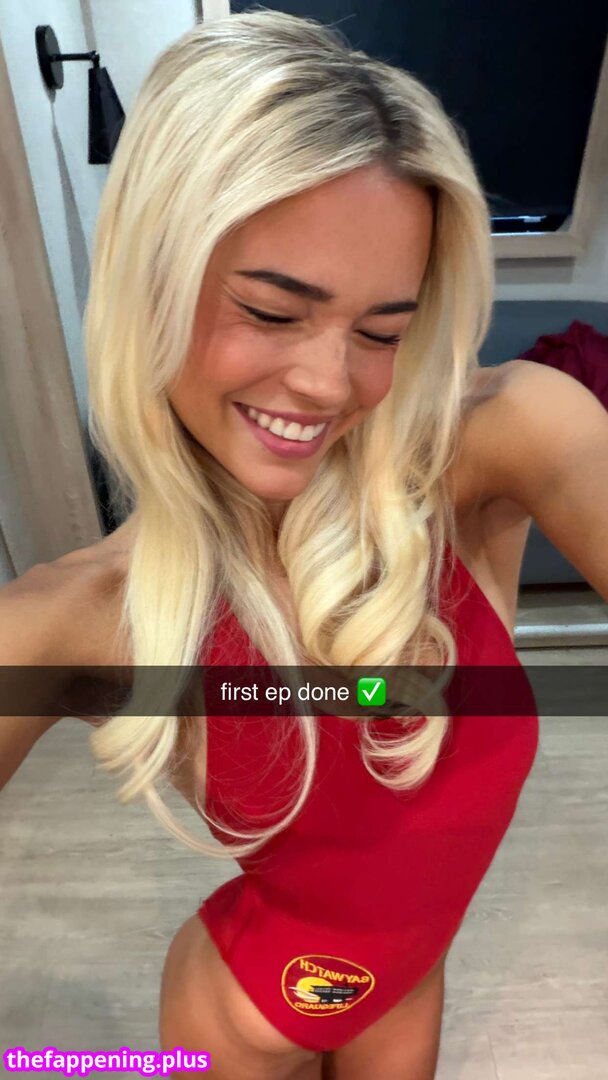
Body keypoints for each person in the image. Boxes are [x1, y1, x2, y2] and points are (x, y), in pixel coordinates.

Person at [2, 9, 607, 1080]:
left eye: (381, 331)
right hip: (242, 1017)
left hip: (408, 984)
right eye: (272, 312)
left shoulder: (495, 442)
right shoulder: (76, 617)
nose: (331, 384)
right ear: (149, 280)